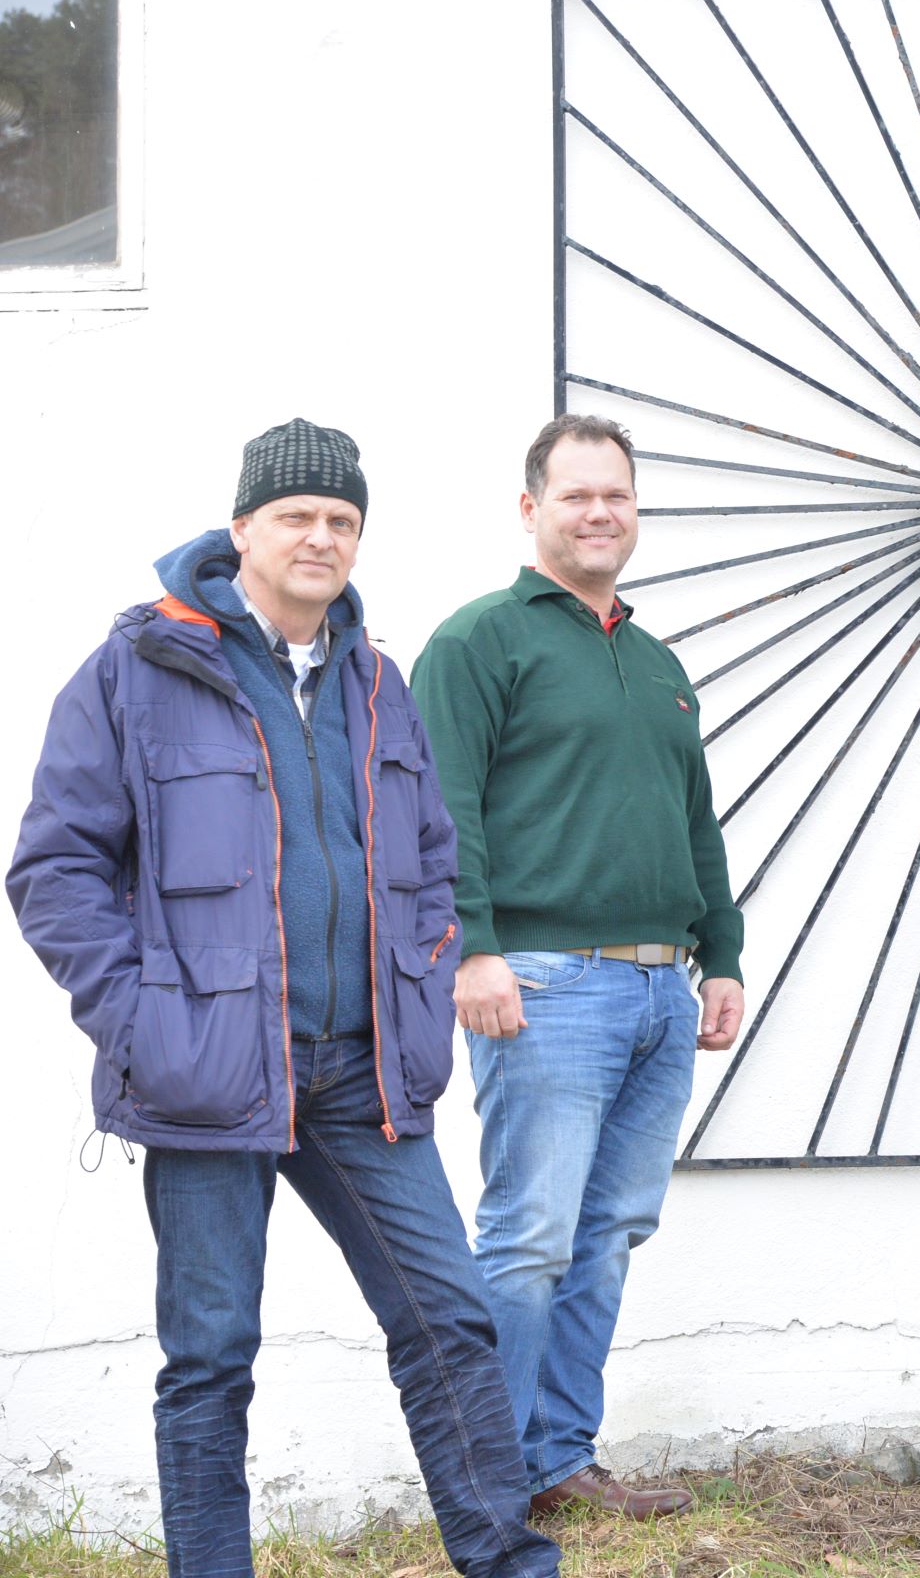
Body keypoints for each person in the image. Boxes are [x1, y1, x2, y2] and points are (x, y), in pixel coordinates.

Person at [8, 418, 560, 1577]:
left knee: (449, 1321)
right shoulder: (140, 670)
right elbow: (55, 869)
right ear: (243, 528)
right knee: (210, 1356)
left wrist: (419, 985)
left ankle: (510, 1564)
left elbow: (430, 859)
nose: (320, 536)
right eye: (296, 515)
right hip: (207, 1071)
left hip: (362, 1070)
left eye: (341, 519)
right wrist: (143, 1022)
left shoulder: (376, 681)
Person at [412, 413, 745, 1521]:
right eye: (576, 495)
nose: (600, 513)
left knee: (607, 1236)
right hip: (543, 984)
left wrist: (721, 955)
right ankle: (489, 1480)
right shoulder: (480, 642)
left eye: (617, 495)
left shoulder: (656, 664)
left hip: (659, 989)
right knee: (530, 1236)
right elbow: (440, 813)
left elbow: (695, 822)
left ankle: (558, 1458)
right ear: (531, 509)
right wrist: (473, 950)